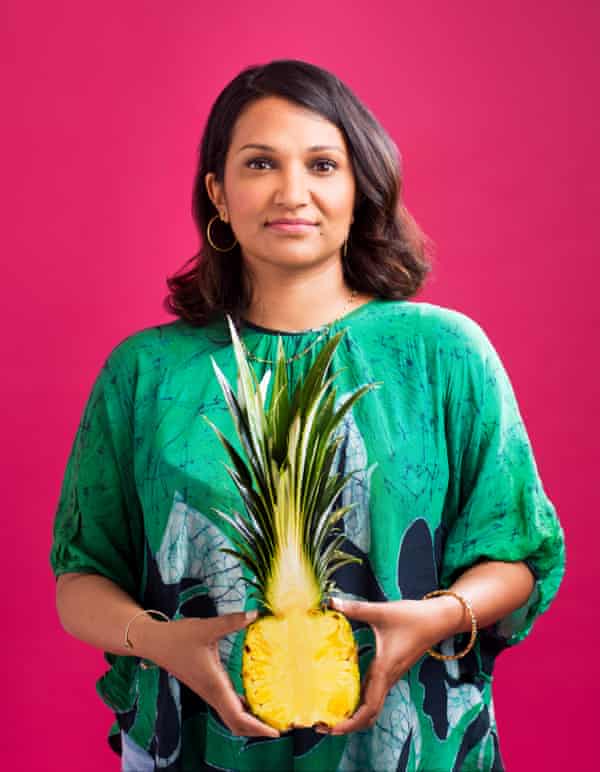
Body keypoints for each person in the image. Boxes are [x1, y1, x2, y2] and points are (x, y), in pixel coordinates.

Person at [50, 58, 566, 772]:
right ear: (219, 195)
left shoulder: (443, 353)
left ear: (360, 190)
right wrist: (157, 639)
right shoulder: (148, 372)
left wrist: (439, 617)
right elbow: (80, 579)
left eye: (323, 164)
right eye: (260, 163)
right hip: (197, 747)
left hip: (411, 744)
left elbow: (517, 556)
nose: (293, 192)